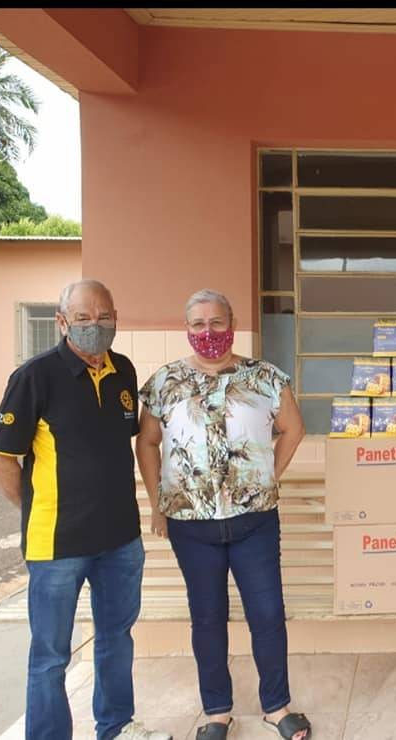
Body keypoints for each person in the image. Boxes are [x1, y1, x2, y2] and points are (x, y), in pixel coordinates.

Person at [0, 279, 170, 740]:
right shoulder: (35, 376)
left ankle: (117, 726)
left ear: (115, 319)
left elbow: (125, 444)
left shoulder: (123, 371)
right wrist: (36, 511)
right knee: (51, 656)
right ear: (62, 322)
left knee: (116, 640)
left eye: (104, 317)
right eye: (83, 318)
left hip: (120, 541)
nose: (95, 325)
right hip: (57, 546)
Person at [136, 289, 310, 740]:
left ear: (232, 324)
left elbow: (294, 429)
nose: (208, 331)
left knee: (267, 613)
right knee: (207, 617)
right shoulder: (165, 382)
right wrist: (157, 504)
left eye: (216, 322)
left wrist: (267, 476)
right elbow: (147, 442)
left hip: (255, 522)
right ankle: (217, 712)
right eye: (198, 324)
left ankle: (277, 706)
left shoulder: (265, 377)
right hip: (191, 526)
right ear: (186, 328)